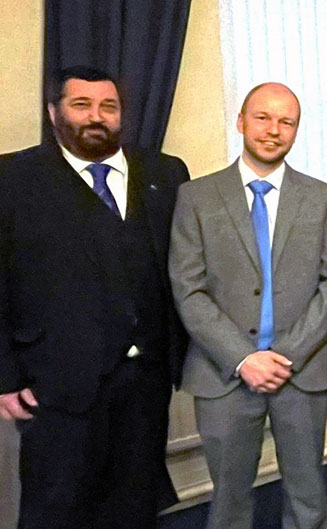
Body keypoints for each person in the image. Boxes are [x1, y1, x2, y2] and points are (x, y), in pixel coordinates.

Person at [0, 65, 188, 529]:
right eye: (81, 105)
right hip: (56, 381)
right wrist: (4, 374)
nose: (96, 117)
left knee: (135, 504)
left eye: (108, 106)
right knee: (56, 510)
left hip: (146, 379)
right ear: (54, 112)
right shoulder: (13, 178)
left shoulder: (166, 172)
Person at [170, 82, 327, 529]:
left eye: (286, 121)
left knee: (308, 493)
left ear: (296, 130)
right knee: (229, 499)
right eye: (263, 118)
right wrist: (244, 358)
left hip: (303, 371)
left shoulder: (323, 197)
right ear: (241, 122)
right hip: (223, 372)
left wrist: (283, 357)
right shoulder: (196, 197)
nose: (274, 130)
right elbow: (187, 289)